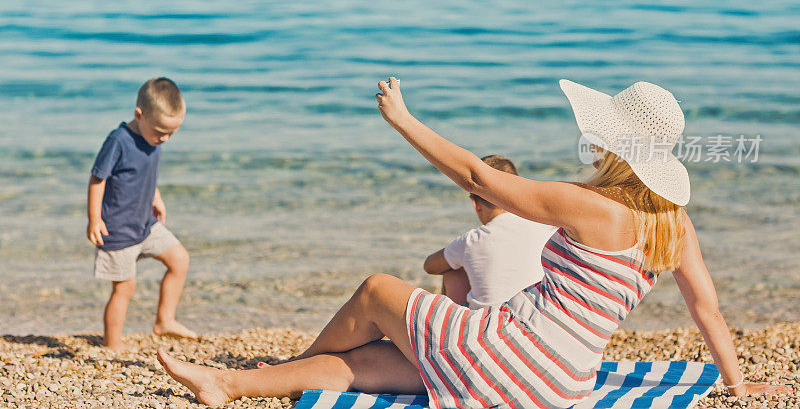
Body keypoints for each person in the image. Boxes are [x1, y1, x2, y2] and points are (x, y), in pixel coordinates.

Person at [157, 78, 790, 407]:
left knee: (378, 290)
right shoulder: (674, 227)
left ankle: (287, 366)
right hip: (558, 384)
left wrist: (405, 120)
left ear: (618, 149)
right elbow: (706, 309)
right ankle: (228, 386)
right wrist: (736, 385)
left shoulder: (588, 206)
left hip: (510, 352)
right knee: (374, 366)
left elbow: (479, 178)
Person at [87, 77, 197, 350]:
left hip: (145, 223)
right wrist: (94, 218)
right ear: (139, 114)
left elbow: (144, 173)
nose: (165, 139)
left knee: (179, 259)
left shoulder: (153, 138)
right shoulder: (118, 140)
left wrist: (155, 196)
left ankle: (164, 320)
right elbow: (97, 179)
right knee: (125, 288)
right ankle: (112, 346)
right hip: (118, 229)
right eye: (161, 131)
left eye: (172, 133)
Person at [424, 154, 556, 309]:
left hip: (485, 326)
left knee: (452, 269)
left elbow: (430, 266)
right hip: (538, 316)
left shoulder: (473, 240)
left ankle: (446, 327)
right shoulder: (546, 228)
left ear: (476, 203)